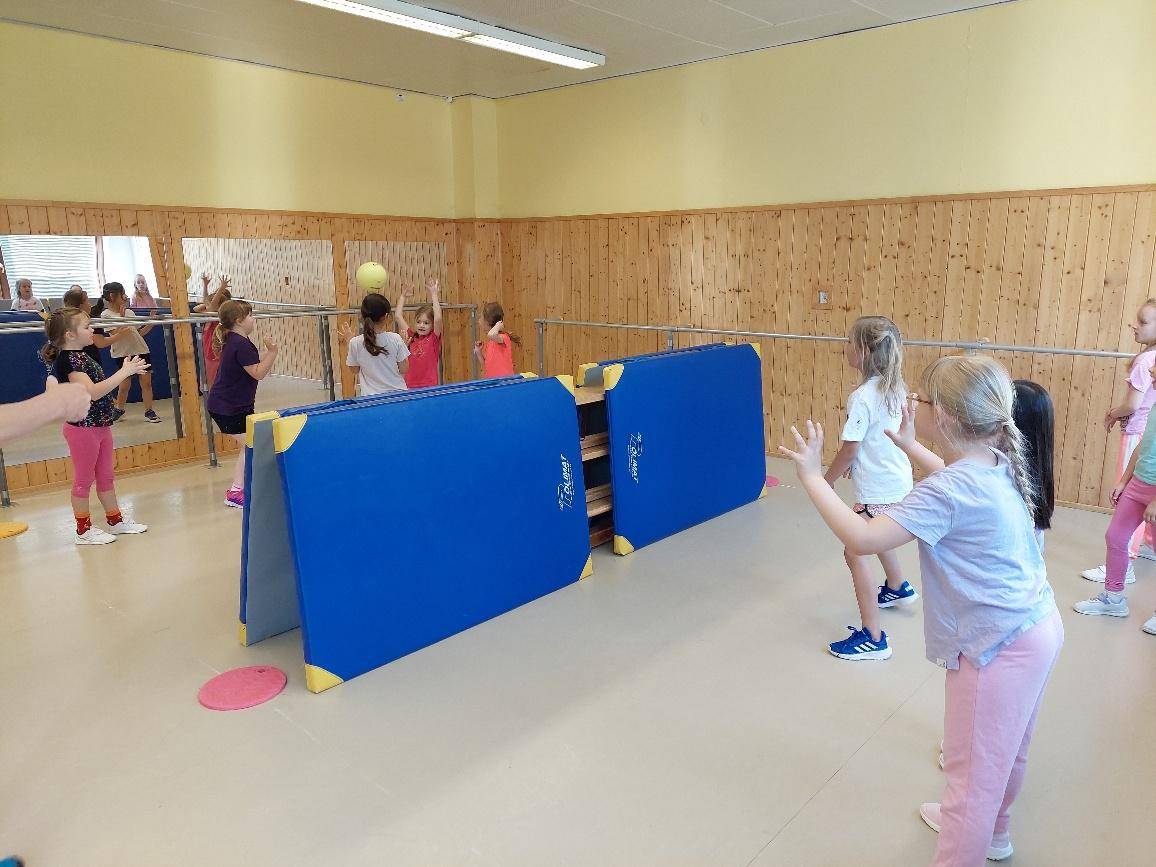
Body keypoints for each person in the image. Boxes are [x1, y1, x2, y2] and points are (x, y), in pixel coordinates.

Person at [780, 355, 1062, 865]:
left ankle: (973, 835)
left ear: (947, 417)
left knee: (970, 785)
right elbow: (951, 481)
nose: (915, 403)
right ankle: (996, 834)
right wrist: (910, 445)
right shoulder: (997, 460)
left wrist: (813, 476)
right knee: (1008, 751)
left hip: (997, 646)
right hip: (1037, 628)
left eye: (924, 400)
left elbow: (864, 538)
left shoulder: (951, 489)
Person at [822, 316, 916, 661]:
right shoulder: (896, 388)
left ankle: (873, 638)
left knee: (855, 550)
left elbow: (850, 448)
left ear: (863, 351)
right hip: (897, 483)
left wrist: (825, 480)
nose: (845, 348)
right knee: (877, 534)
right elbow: (874, 441)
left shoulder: (861, 397)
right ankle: (896, 586)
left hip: (879, 492)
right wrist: (856, 462)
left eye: (849, 342)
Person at [41, 307, 150, 544]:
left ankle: (115, 520)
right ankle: (83, 530)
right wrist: (124, 372)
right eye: (87, 327)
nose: (93, 330)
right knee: (83, 480)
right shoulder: (68, 360)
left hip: (100, 425)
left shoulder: (83, 355)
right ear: (70, 334)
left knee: (106, 476)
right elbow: (92, 392)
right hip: (82, 429)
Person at [1072, 354, 1156, 634]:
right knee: (1116, 537)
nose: (1151, 371)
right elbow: (1143, 445)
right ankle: (1113, 598)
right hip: (1138, 484)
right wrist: (1124, 481)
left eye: (1155, 369)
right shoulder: (1155, 404)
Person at [1081, 300, 1156, 586]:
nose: (1135, 326)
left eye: (1143, 322)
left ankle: (1126, 560)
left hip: (1137, 432)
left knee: (1130, 500)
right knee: (1134, 496)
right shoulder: (1151, 359)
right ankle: (1137, 550)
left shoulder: (1145, 361)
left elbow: (1132, 404)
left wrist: (1113, 413)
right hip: (1144, 434)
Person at [206, 300, 277, 509]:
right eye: (250, 316)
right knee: (251, 444)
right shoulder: (240, 344)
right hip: (228, 408)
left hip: (233, 405)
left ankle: (241, 488)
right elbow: (258, 372)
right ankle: (236, 491)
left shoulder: (236, 341)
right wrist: (272, 352)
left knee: (251, 444)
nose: (253, 319)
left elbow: (252, 368)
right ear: (239, 320)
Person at [95, 282, 160, 424]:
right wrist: (123, 318)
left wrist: (150, 322)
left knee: (146, 383)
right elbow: (116, 334)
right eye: (122, 293)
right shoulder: (106, 315)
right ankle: (119, 409)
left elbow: (139, 333)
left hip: (140, 350)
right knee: (124, 385)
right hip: (122, 354)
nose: (125, 296)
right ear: (113, 296)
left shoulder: (129, 312)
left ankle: (149, 410)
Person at [338, 292, 410, 395]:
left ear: (362, 316)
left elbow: (354, 369)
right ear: (386, 316)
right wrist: (404, 347)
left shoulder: (355, 343)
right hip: (397, 396)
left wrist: (350, 342)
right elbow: (404, 369)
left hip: (371, 398)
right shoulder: (396, 339)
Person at [395, 278, 443, 389]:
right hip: (410, 385)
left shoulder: (433, 338)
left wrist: (434, 294)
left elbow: (438, 319)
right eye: (418, 322)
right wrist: (403, 297)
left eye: (426, 323)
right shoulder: (412, 337)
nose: (421, 325)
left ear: (432, 325)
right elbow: (398, 316)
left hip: (429, 386)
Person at [63, 285, 131, 361]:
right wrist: (120, 335)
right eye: (87, 302)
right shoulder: (89, 321)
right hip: (86, 358)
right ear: (80, 305)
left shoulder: (65, 319)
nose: (90, 305)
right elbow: (100, 342)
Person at [193, 274, 232, 388]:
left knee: (217, 382)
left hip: (216, 356)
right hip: (210, 355)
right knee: (211, 382)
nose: (207, 306)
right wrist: (205, 285)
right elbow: (203, 304)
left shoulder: (217, 317)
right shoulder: (210, 316)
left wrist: (221, 289)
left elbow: (210, 305)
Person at [474, 302, 518, 378]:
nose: (479, 321)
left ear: (488, 321)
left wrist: (498, 325)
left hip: (504, 382)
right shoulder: (491, 341)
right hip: (493, 381)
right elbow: (486, 365)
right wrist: (478, 352)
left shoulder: (503, 338)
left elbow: (491, 334)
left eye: (481, 318)